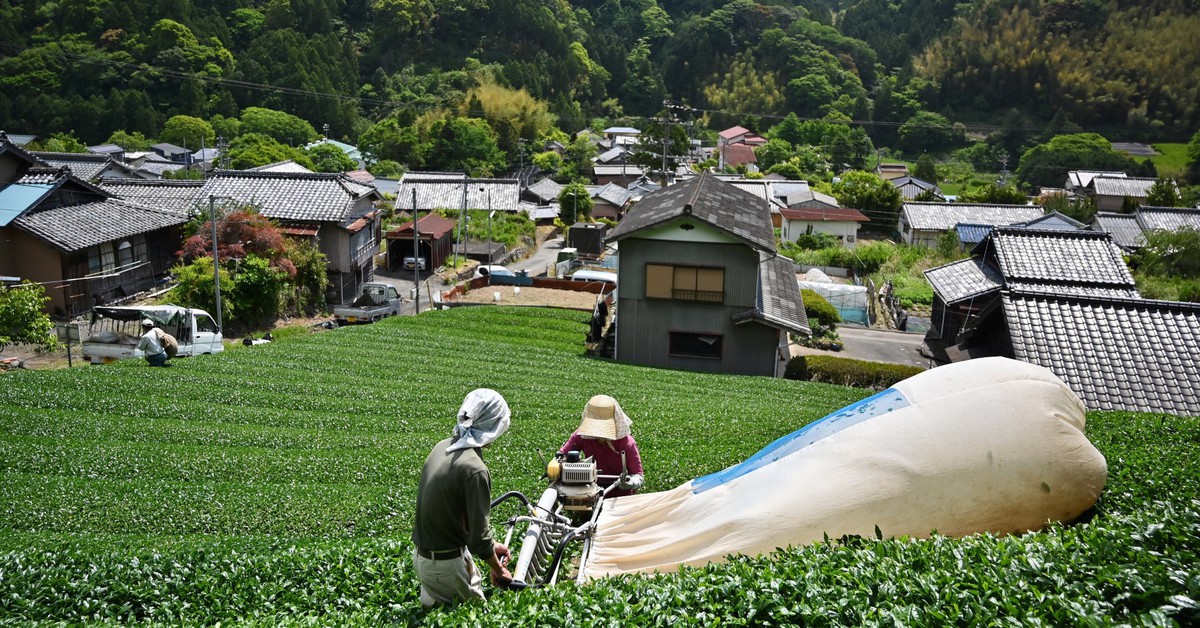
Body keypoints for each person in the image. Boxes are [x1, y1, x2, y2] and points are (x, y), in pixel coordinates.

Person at [412, 389, 513, 606]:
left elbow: (450, 515)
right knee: (478, 618)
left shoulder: (442, 447)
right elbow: (479, 538)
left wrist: (492, 547)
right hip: (446, 567)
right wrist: (499, 569)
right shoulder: (475, 469)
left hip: (423, 560)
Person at [558, 394, 644, 497]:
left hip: (619, 495)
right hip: (588, 492)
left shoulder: (626, 443)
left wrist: (630, 482)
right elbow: (562, 454)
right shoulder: (581, 436)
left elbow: (638, 475)